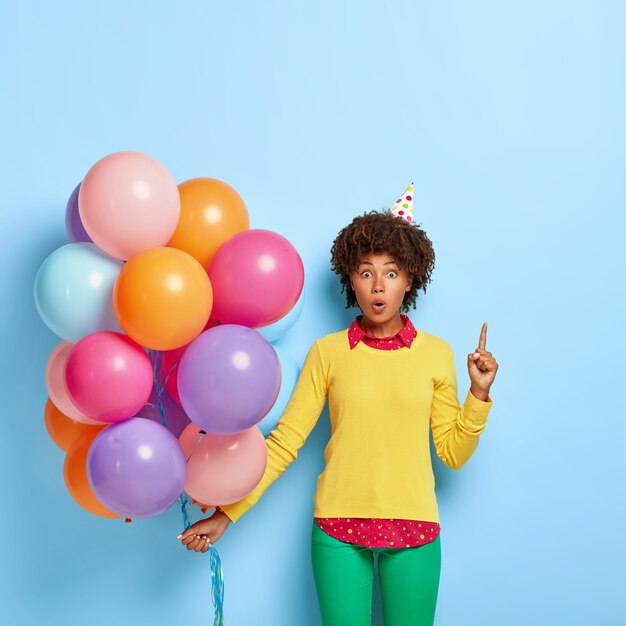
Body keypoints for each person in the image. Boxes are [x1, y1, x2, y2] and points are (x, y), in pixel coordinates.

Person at [177, 196, 499, 626]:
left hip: (415, 528)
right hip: (337, 528)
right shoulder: (327, 353)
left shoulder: (436, 355)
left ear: (409, 280)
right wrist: (226, 515)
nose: (378, 286)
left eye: (391, 273)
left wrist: (477, 396)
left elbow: (453, 454)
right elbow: (285, 443)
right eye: (367, 273)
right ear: (352, 279)